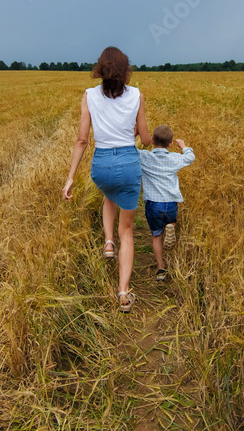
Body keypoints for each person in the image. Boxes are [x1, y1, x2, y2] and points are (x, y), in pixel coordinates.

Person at [63, 47, 151, 313]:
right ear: (126, 71)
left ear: (100, 70)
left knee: (108, 193)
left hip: (101, 165)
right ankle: (123, 293)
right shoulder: (137, 95)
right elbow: (146, 140)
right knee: (129, 230)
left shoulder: (89, 96)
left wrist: (70, 178)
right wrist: (136, 133)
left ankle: (108, 243)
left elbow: (81, 140)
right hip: (128, 163)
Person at [138, 125, 195, 282]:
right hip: (171, 203)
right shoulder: (174, 158)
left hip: (153, 204)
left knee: (156, 236)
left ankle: (160, 268)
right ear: (170, 144)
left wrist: (137, 135)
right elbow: (190, 158)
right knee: (170, 220)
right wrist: (183, 146)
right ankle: (171, 226)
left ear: (152, 141)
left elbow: (130, 151)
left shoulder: (144, 156)